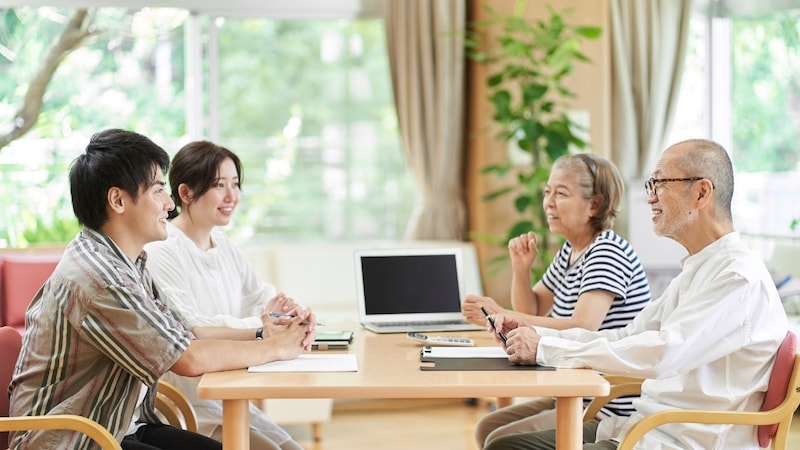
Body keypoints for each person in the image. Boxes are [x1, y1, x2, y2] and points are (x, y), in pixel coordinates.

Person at [8, 129, 316, 450]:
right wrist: (278, 348)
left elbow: (188, 332)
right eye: (158, 191)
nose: (170, 204)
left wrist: (263, 335)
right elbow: (188, 358)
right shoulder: (99, 276)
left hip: (119, 425)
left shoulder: (130, 262)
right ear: (118, 200)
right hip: (72, 440)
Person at [485, 139, 789, 450]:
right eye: (651, 184)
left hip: (680, 440)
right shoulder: (697, 272)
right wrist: (537, 337)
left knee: (503, 446)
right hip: (644, 428)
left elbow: (663, 353)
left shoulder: (736, 278)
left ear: (701, 193)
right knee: (502, 443)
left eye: (661, 182)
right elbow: (627, 336)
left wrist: (545, 348)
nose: (650, 198)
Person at [462, 153, 651, 448]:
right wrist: (521, 269)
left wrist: (505, 312)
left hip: (604, 404)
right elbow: (533, 309)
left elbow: (583, 327)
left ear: (595, 204)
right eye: (547, 191)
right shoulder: (571, 251)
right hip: (573, 391)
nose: (548, 202)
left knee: (499, 440)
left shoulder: (607, 251)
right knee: (489, 425)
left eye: (561, 193)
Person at [143, 140, 306, 449]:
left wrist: (288, 316)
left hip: (230, 393)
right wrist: (263, 330)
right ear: (185, 193)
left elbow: (260, 297)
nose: (232, 196)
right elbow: (194, 328)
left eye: (235, 184)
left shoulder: (224, 246)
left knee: (291, 448)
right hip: (189, 404)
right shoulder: (162, 251)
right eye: (219, 185)